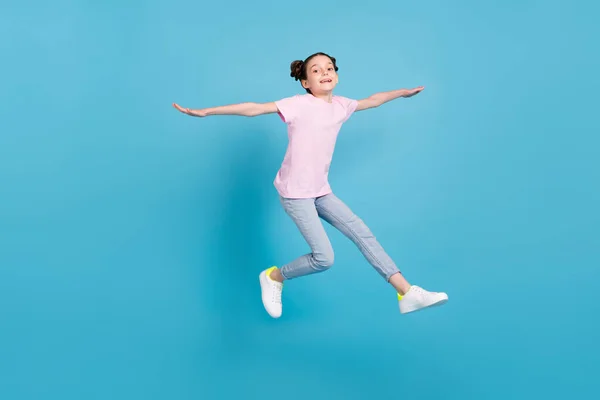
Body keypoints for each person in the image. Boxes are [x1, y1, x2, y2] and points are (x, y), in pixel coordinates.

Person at [173, 52, 448, 318]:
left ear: (336, 76)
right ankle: (273, 276)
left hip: (320, 191)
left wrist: (402, 92)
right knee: (324, 258)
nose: (324, 73)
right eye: (316, 70)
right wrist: (207, 112)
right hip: (295, 194)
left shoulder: (342, 105)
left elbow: (374, 100)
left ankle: (406, 292)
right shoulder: (298, 105)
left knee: (363, 234)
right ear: (306, 83)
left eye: (329, 68)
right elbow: (254, 109)